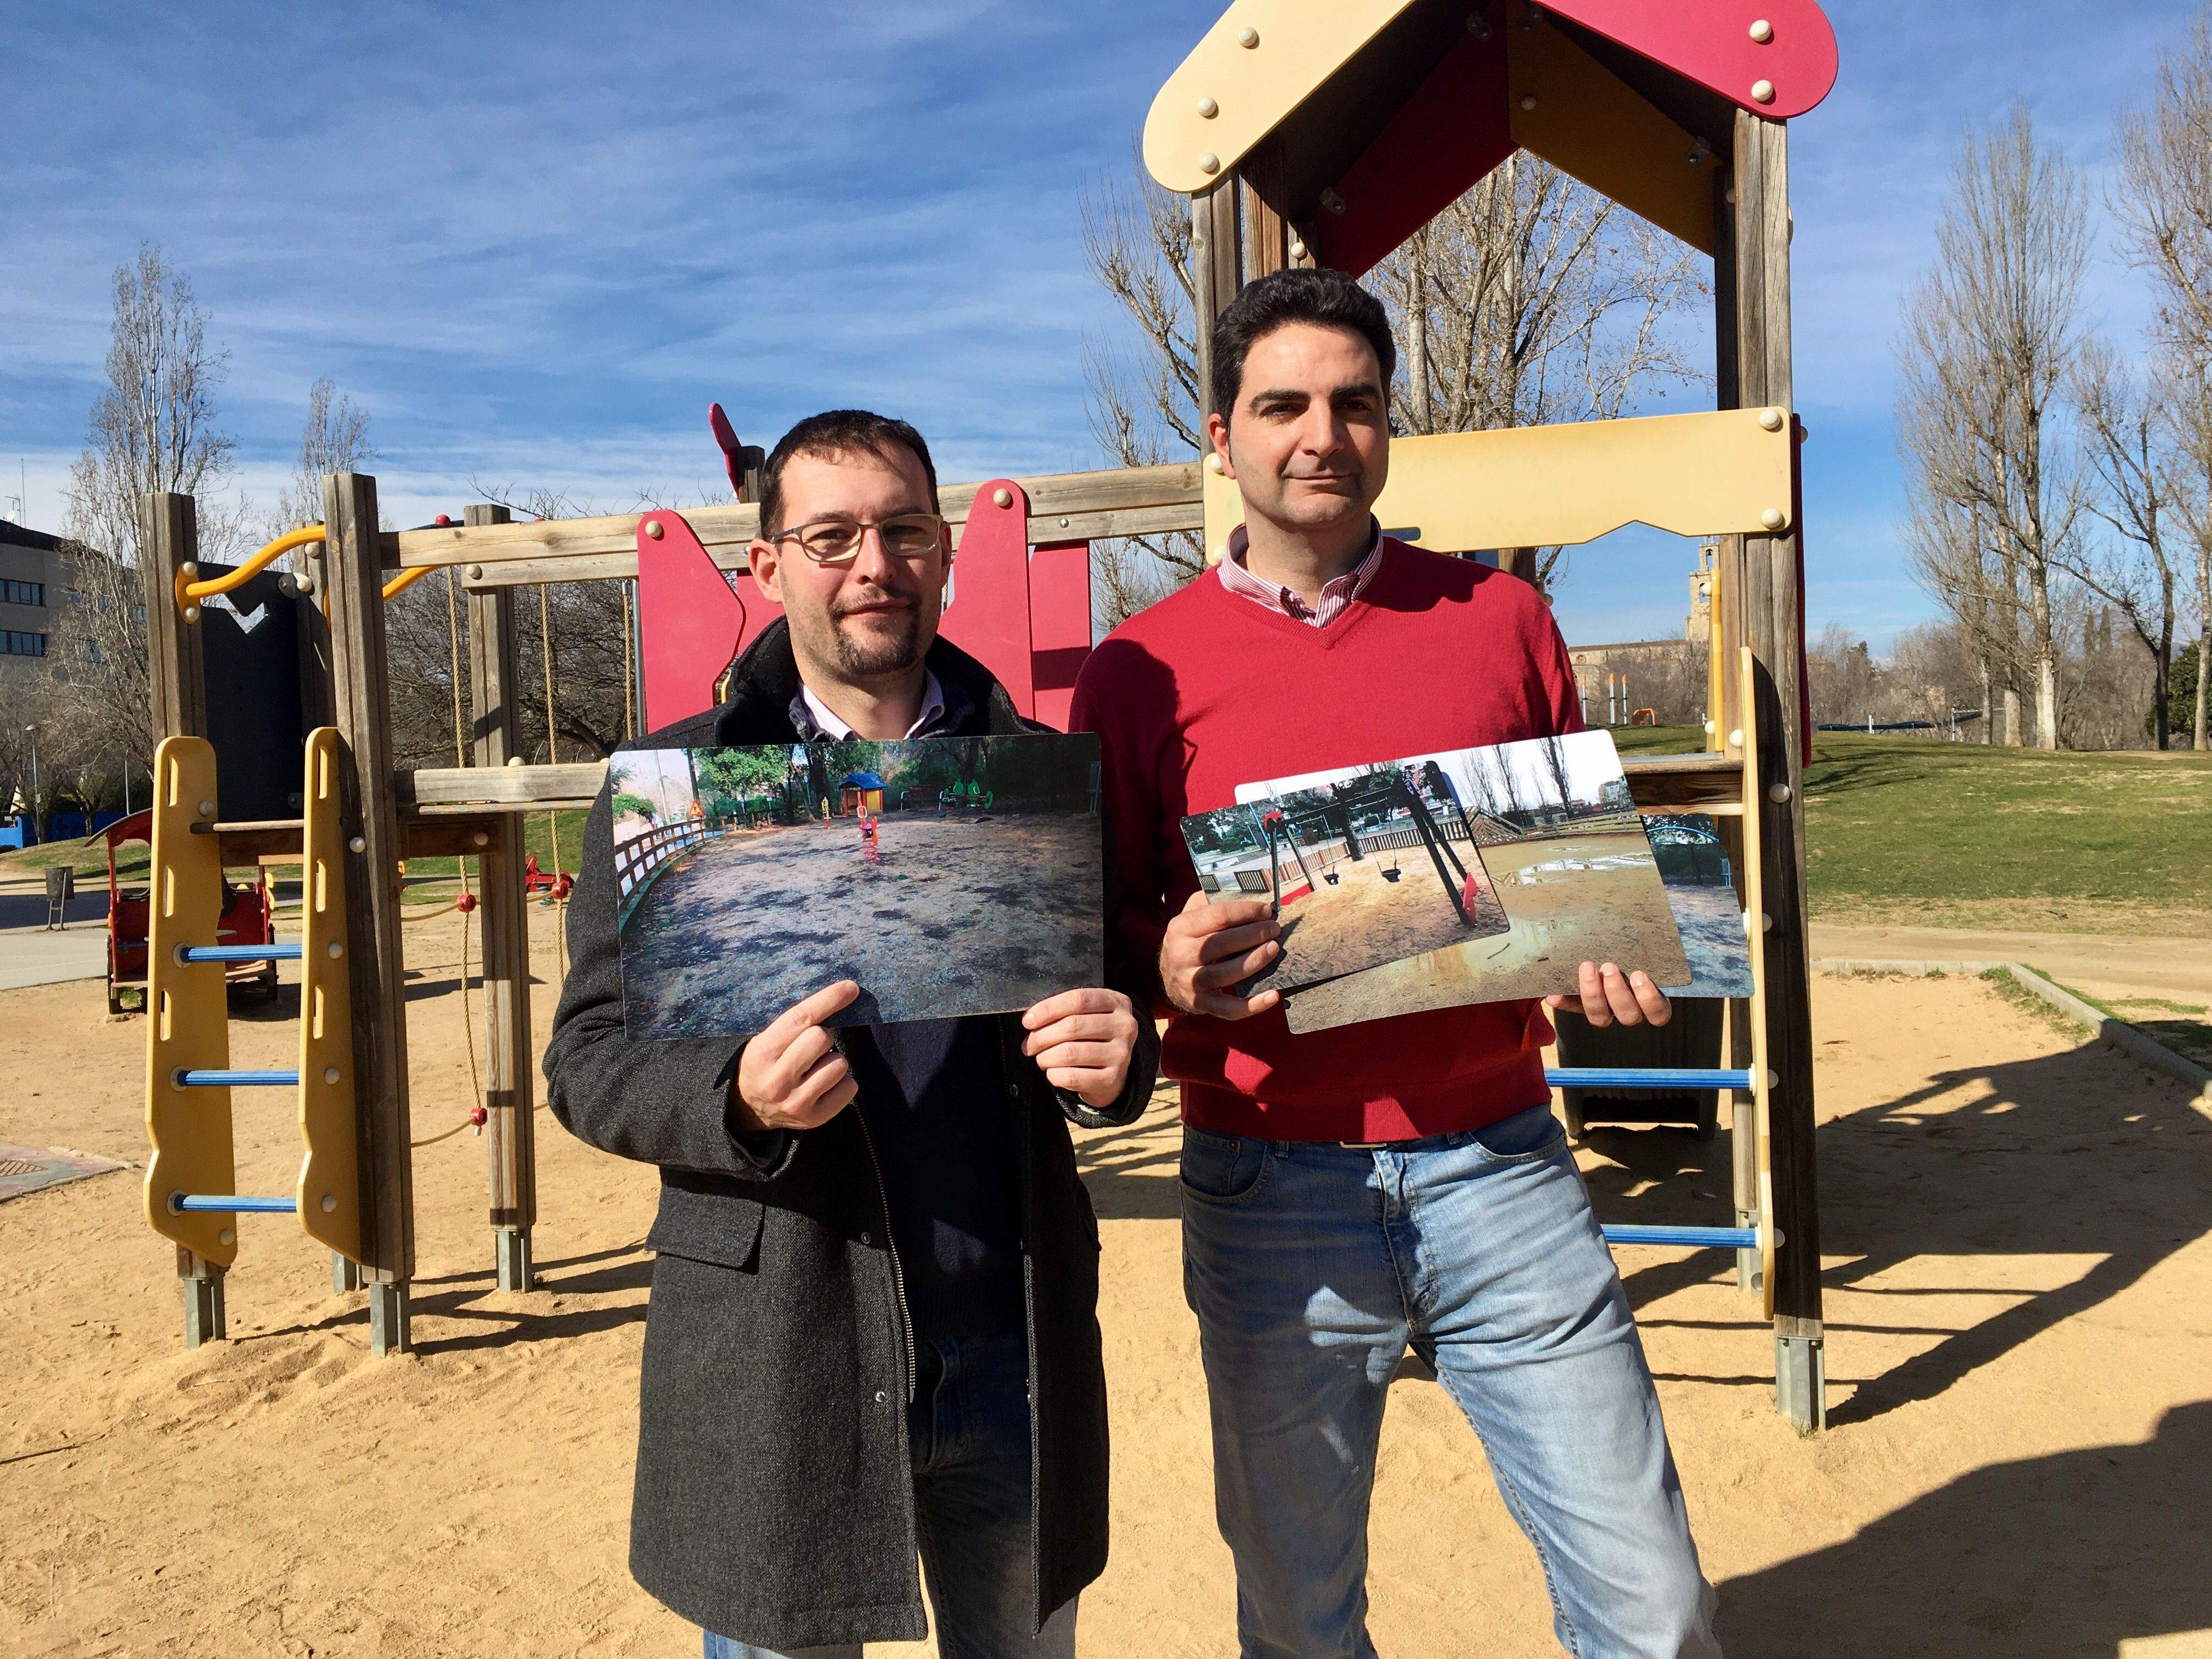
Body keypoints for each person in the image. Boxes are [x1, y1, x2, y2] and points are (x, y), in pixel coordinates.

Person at [1072, 269, 1720, 1658]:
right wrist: (1165, 963)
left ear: (1387, 428)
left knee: (1656, 1608)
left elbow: (1564, 888)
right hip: (1266, 1180)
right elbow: (1105, 925)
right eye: (1284, 405)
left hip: (1503, 1163)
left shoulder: (1502, 622)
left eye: (1354, 403)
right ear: (1222, 435)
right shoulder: (1137, 669)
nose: (1323, 434)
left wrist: (1594, 962)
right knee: (1302, 1618)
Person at [545, 409, 1156, 1659]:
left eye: (902, 531)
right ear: (766, 566)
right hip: (787, 1353)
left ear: (942, 553)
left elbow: (1116, 1002)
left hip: (1010, 1338)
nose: (872, 564)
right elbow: (590, 1058)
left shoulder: (1037, 775)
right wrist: (734, 1097)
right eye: (830, 536)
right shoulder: (675, 788)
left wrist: (1124, 1051)